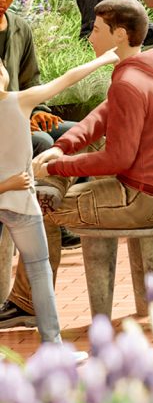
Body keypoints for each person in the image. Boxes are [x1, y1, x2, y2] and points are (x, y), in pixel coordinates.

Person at [10, 0, 153, 321]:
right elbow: (103, 115)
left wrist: (56, 165)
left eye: (96, 30)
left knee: (39, 207)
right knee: (65, 164)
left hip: (143, 199)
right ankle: (52, 184)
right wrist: (63, 145)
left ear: (119, 35)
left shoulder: (129, 84)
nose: (90, 37)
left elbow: (118, 159)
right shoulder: (149, 69)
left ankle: (28, 303)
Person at [0, 47, 120, 341]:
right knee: (39, 270)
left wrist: (102, 60)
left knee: (39, 270)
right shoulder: (18, 102)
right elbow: (65, 79)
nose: (2, 72)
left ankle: (52, 343)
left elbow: (65, 80)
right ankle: (52, 344)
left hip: (19, 205)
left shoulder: (21, 101)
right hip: (17, 202)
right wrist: (10, 184)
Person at [0, 0, 51, 164]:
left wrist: (37, 111)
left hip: (20, 115)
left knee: (75, 134)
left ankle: (57, 194)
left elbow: (30, 79)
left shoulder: (20, 28)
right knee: (43, 143)